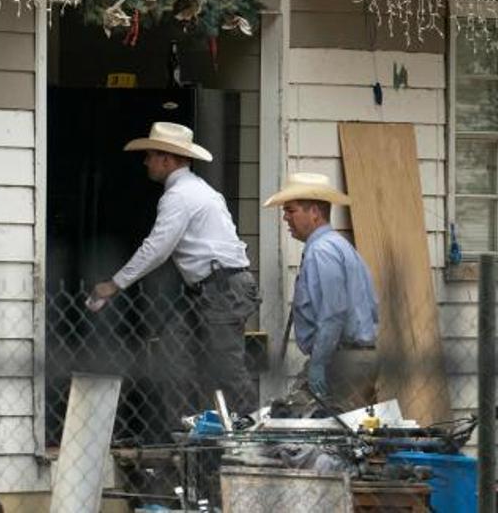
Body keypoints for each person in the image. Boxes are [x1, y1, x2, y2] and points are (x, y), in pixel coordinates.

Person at [87, 122, 259, 418]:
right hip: (209, 288)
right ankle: (191, 430)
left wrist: (114, 285)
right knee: (174, 354)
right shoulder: (193, 190)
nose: (146, 162)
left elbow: (157, 249)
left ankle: (253, 429)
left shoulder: (179, 196)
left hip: (221, 288)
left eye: (151, 155)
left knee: (226, 368)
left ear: (167, 159)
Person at [263, 172, 379, 412]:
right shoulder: (339, 246)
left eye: (291, 210)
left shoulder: (322, 251)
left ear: (314, 212)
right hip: (349, 356)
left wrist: (318, 364)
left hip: (340, 359)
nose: (285, 217)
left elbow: (333, 313)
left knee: (319, 428)